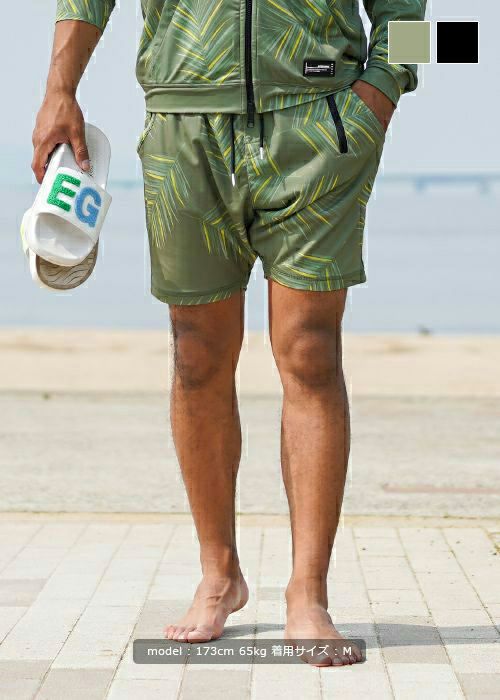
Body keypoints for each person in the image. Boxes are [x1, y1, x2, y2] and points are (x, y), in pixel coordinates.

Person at [32, 0, 425, 667]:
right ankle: (219, 574)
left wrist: (379, 96)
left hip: (319, 122)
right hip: (183, 127)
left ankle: (308, 593)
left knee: (311, 351)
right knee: (196, 355)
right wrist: (58, 89)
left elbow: (412, 13)